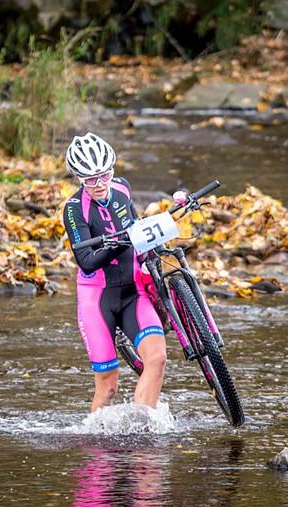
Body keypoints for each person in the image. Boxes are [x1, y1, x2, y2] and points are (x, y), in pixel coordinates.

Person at [62, 132, 167, 412]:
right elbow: (85, 260)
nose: (99, 184)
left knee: (156, 358)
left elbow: (135, 225)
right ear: (78, 178)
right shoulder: (74, 209)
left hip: (133, 291)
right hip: (98, 298)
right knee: (108, 386)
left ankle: (144, 430)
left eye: (104, 175)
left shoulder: (122, 188)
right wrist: (117, 242)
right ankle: (98, 451)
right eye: (90, 179)